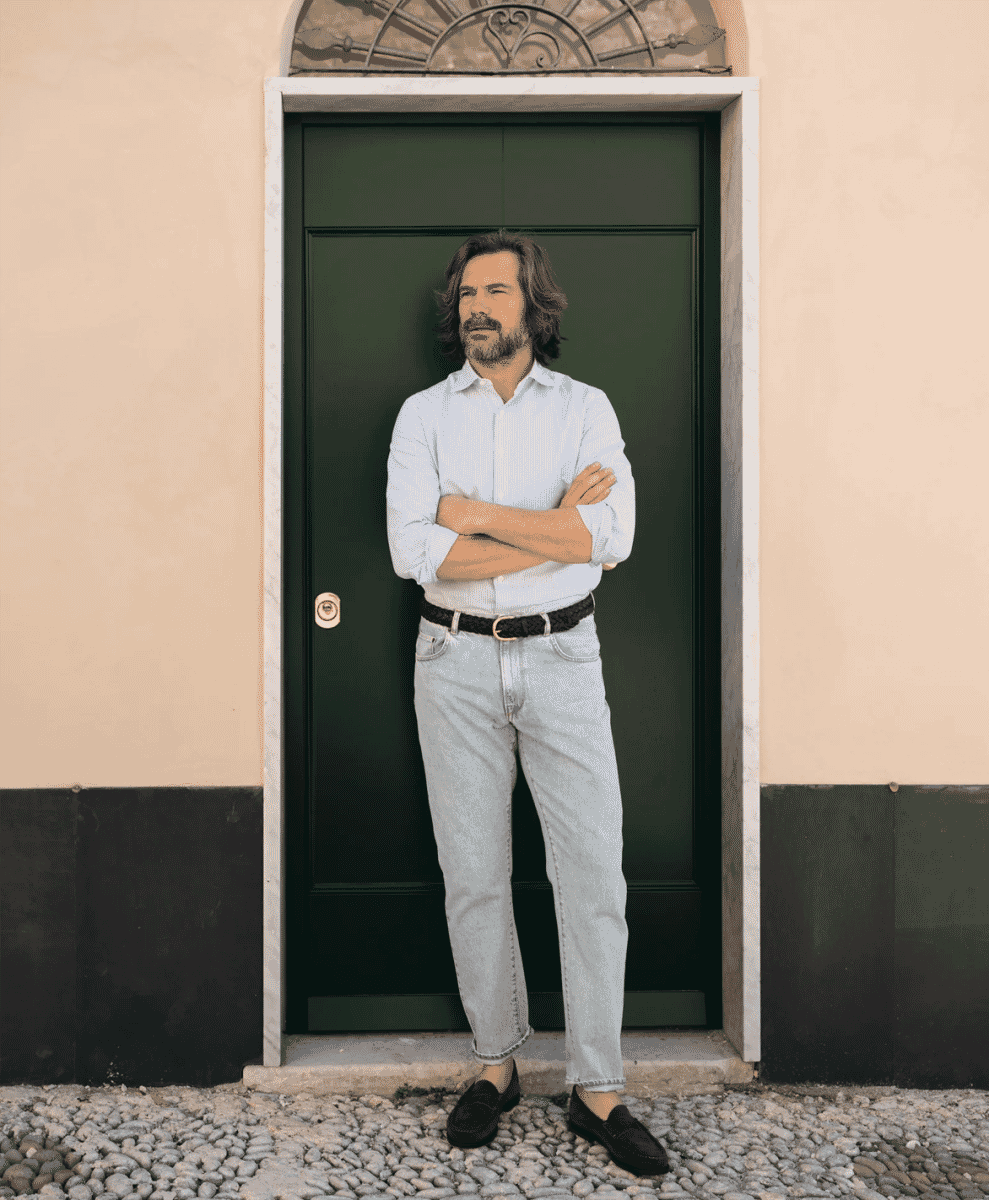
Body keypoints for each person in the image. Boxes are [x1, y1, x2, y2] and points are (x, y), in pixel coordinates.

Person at [385, 231, 669, 1176]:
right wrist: (555, 534)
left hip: (562, 659)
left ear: (532, 305)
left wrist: (475, 514)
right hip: (453, 662)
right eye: (467, 293)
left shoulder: (584, 410)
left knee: (593, 874)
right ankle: (496, 1066)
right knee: (472, 873)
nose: (477, 307)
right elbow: (416, 556)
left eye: (496, 291)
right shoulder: (422, 417)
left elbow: (614, 535)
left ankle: (598, 1088)